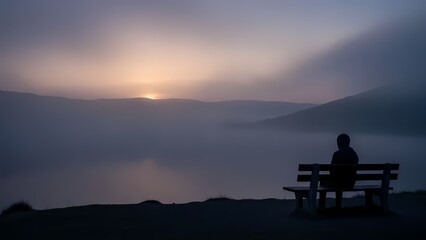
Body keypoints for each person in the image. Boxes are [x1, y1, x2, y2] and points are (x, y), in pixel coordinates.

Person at [320, 133, 359, 208]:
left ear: (339, 143)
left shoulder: (337, 154)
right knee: (338, 180)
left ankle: (322, 205)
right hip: (350, 183)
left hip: (338, 183)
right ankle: (337, 205)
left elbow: (331, 171)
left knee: (323, 181)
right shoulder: (354, 154)